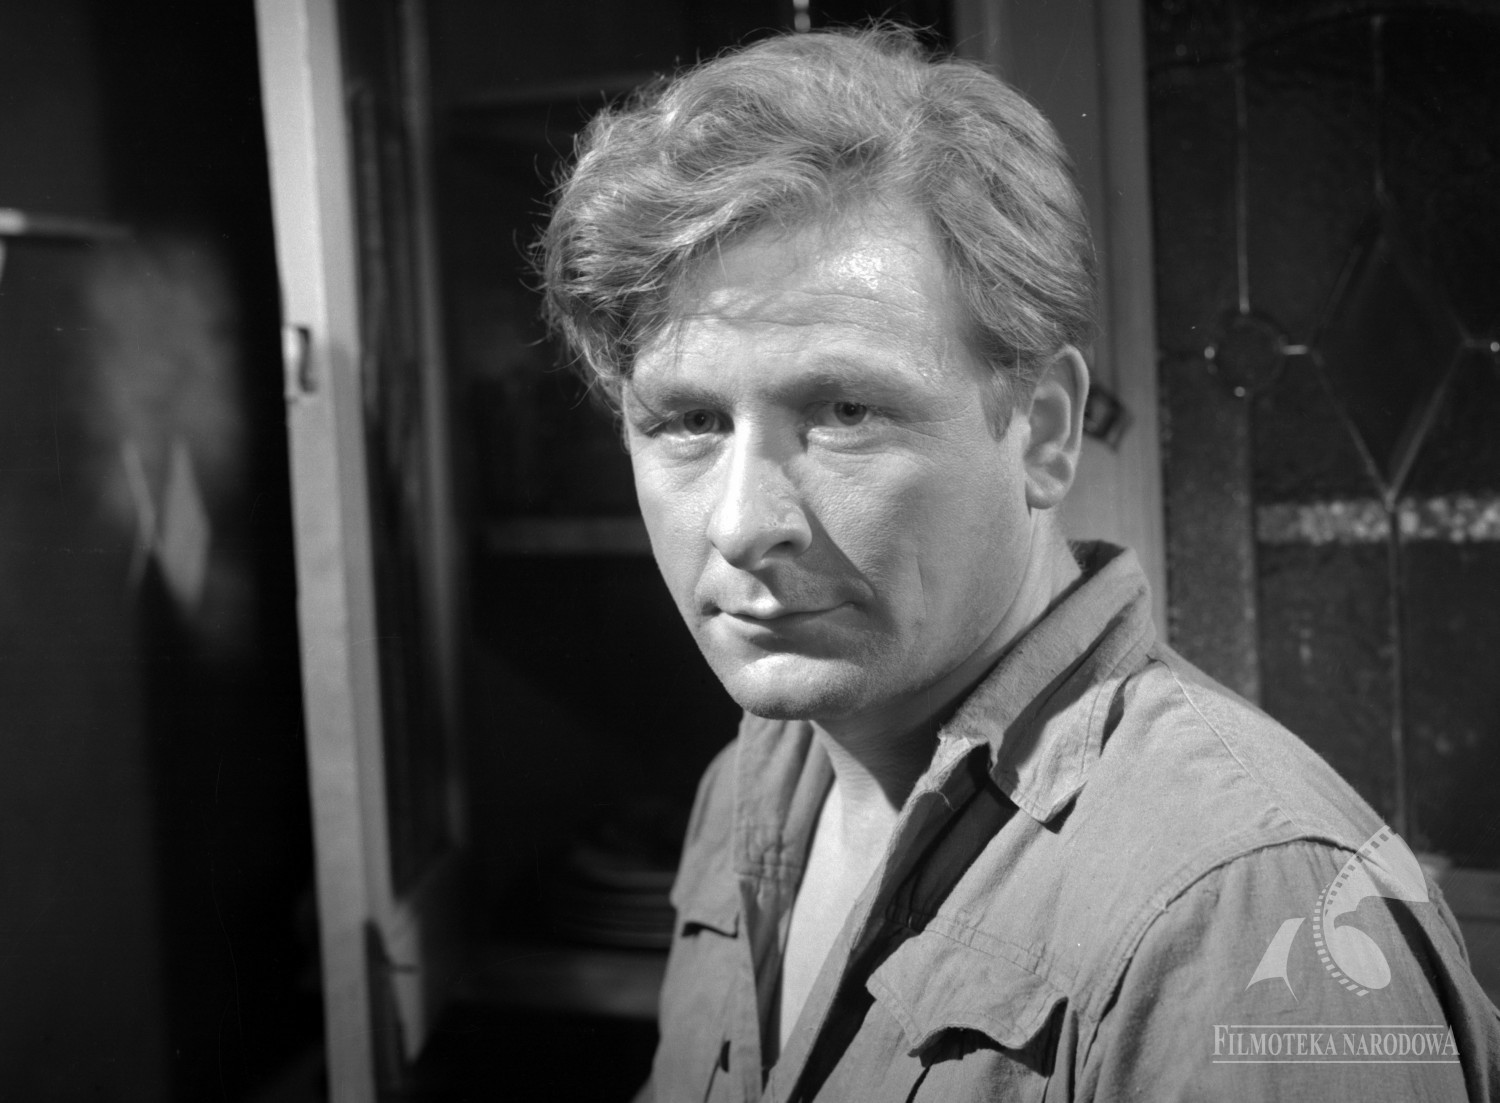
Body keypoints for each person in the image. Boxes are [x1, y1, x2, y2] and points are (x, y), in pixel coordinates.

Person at [539, 25, 1500, 1102]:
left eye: (846, 411)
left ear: (1043, 431)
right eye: (688, 421)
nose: (741, 523)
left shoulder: (1244, 912)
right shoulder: (751, 787)